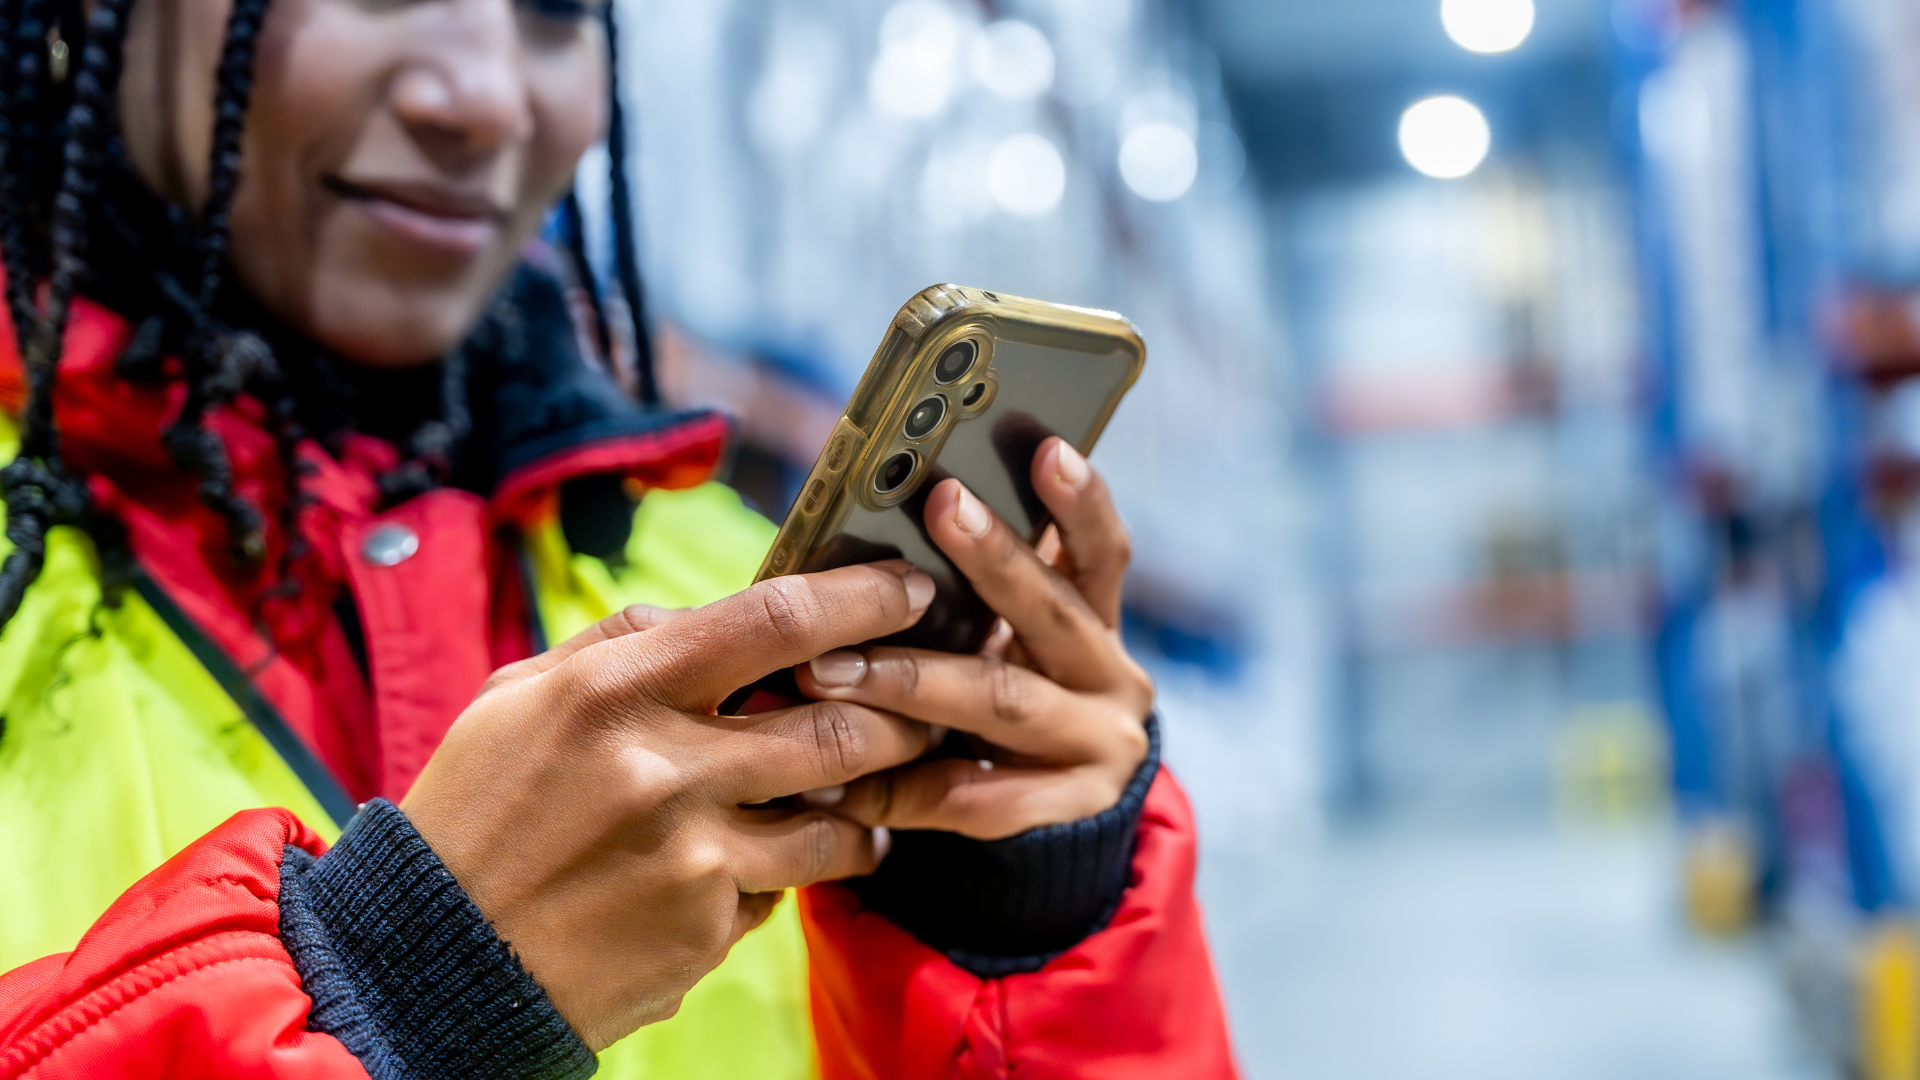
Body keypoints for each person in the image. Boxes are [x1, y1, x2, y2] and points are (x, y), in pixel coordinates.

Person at [0, 0, 1239, 1073]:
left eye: (550, 9)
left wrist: (1024, 940)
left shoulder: (724, 594)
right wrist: (384, 1000)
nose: (486, 101)